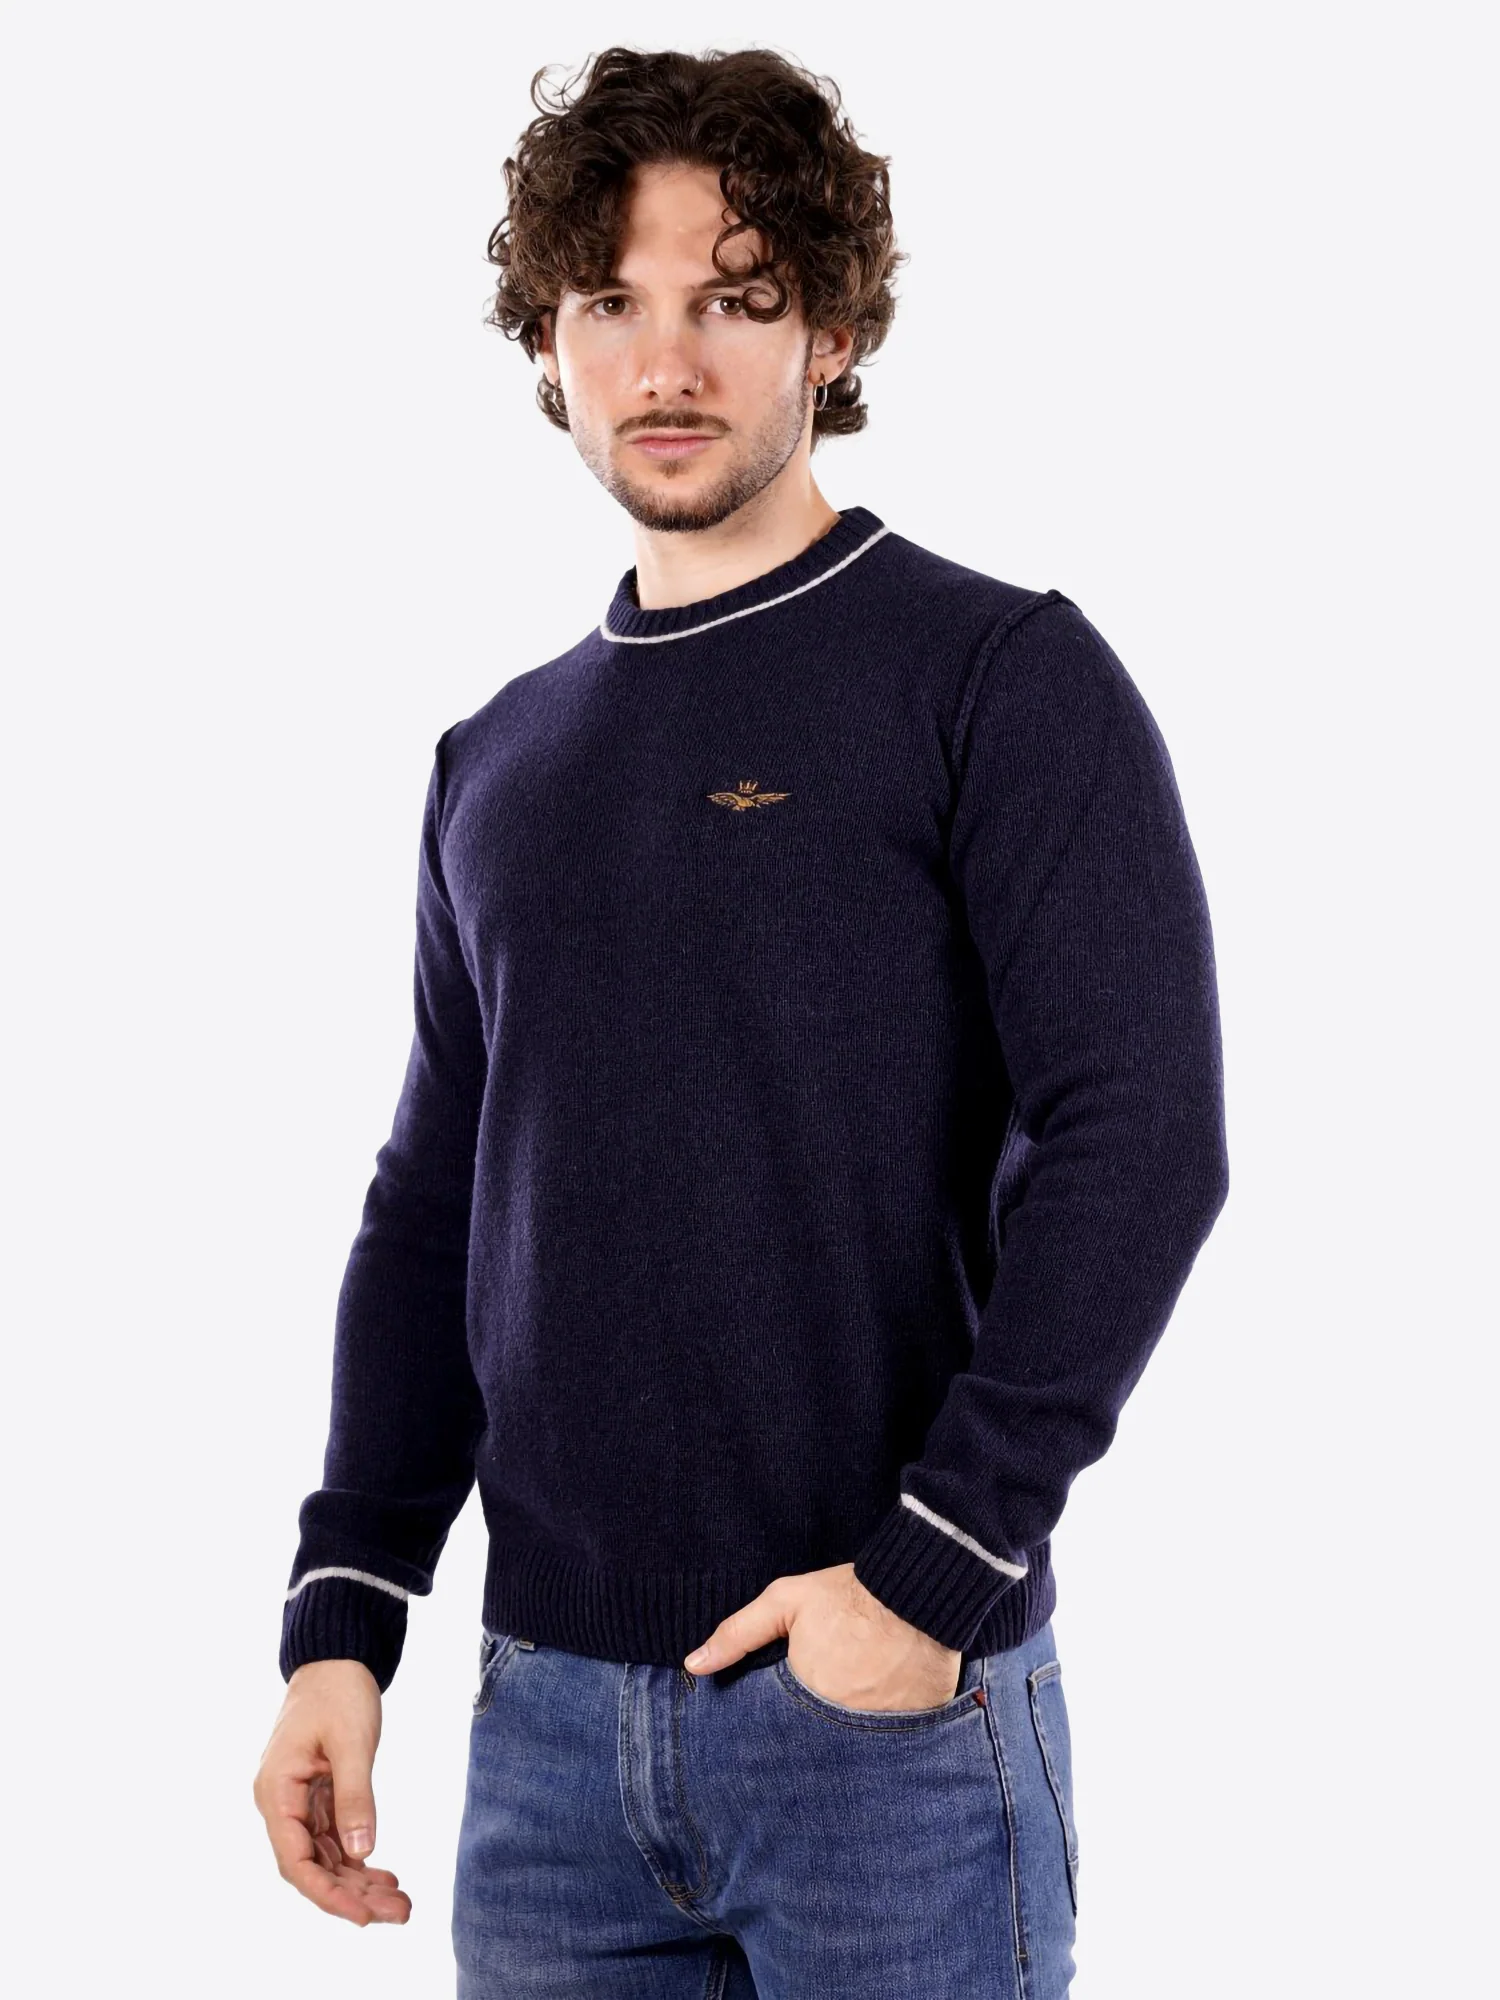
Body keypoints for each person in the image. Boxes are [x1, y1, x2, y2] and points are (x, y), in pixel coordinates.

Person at [253, 44, 1229, 1999]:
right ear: (551, 345)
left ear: (831, 331)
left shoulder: (997, 676)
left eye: (735, 297)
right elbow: (435, 1208)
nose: (666, 361)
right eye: (610, 303)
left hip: (888, 1728)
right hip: (543, 1745)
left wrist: (933, 1575)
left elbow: (1140, 1138)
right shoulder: (494, 762)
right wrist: (344, 1621)